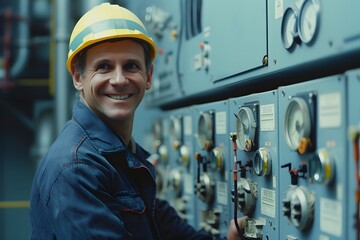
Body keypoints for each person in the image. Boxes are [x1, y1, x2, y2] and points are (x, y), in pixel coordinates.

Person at [29, 2, 247, 239]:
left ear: (148, 76)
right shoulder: (77, 167)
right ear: (78, 77)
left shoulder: (122, 157)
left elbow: (168, 227)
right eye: (104, 67)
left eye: (131, 66)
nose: (119, 79)